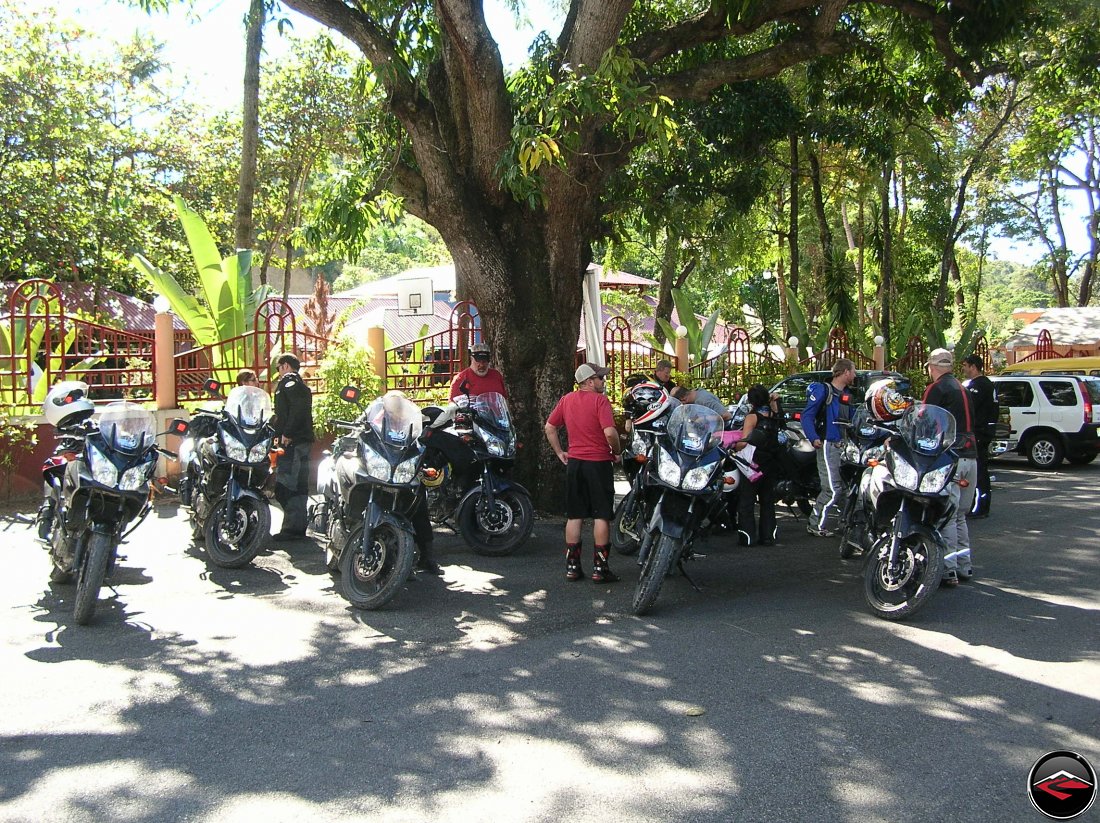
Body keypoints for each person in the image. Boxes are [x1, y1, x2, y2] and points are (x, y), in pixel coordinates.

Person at [544, 362, 622, 583]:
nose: (603, 381)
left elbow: (549, 427)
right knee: (601, 515)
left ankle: (572, 567)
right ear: (589, 381)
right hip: (598, 463)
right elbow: (609, 432)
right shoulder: (600, 401)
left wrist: (560, 452)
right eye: (600, 378)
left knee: (575, 515)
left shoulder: (567, 400)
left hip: (575, 463)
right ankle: (600, 568)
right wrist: (616, 451)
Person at [923, 347, 977, 585]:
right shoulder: (962, 387)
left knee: (946, 516)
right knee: (959, 516)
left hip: (951, 456)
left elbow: (925, 422)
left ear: (932, 367)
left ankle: (948, 569)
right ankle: (965, 566)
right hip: (970, 455)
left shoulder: (937, 389)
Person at [802, 358, 856, 536]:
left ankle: (846, 523)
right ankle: (815, 524)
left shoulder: (847, 394)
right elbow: (807, 415)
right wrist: (813, 437)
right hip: (827, 444)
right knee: (832, 488)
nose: (854, 375)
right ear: (845, 372)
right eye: (853, 371)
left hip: (843, 445)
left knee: (846, 488)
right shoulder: (823, 390)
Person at [271, 354, 314, 540]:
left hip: (294, 441)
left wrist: (287, 433)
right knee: (296, 482)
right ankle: (295, 526)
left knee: (290, 482)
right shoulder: (297, 383)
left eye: (278, 368)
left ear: (285, 366)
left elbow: (297, 409)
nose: (278, 373)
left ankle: (292, 529)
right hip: (298, 440)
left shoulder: (290, 382)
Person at [734, 385, 780, 546]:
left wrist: (733, 446)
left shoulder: (752, 417)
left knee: (747, 499)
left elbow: (745, 440)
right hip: (772, 459)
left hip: (754, 461)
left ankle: (747, 537)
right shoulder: (773, 413)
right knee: (767, 500)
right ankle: (768, 536)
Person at [962, 354, 996, 518]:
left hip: (979, 432)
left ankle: (980, 506)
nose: (964, 369)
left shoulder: (978, 386)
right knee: (980, 469)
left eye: (965, 365)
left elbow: (968, 408)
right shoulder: (987, 384)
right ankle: (979, 504)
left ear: (973, 367)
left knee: (979, 471)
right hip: (984, 431)